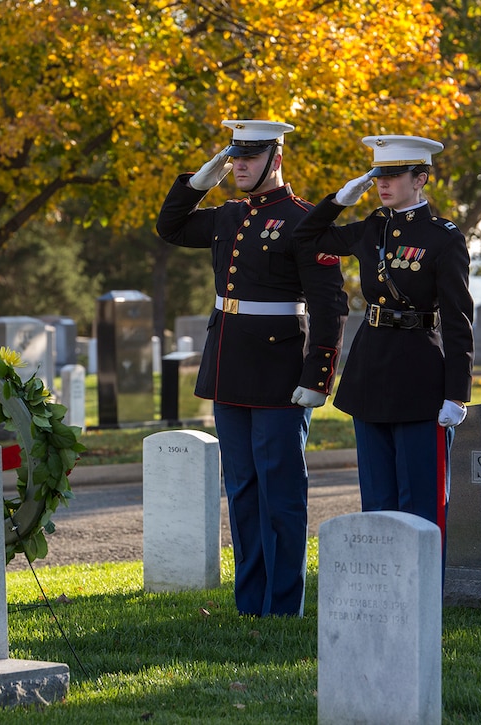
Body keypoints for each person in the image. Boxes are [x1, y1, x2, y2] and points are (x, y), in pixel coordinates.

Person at [156, 119, 348, 616]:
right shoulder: (228, 215)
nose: (238, 165)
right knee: (242, 488)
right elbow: (170, 226)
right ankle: (250, 602)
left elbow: (330, 308)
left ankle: (284, 605)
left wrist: (317, 377)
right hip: (229, 363)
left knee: (280, 489)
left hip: (281, 370)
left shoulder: (306, 220)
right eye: (233, 156)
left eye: (248, 157)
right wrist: (202, 179)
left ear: (275, 159)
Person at [289, 134, 474, 552]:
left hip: (420, 375)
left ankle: (424, 598)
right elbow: (305, 238)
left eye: (393, 175)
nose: (382, 185)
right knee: (377, 501)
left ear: (421, 178)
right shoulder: (370, 227)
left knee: (421, 503)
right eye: (377, 177)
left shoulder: (443, 237)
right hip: (370, 372)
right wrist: (337, 200)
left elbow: (459, 319)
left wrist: (456, 394)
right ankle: (382, 596)